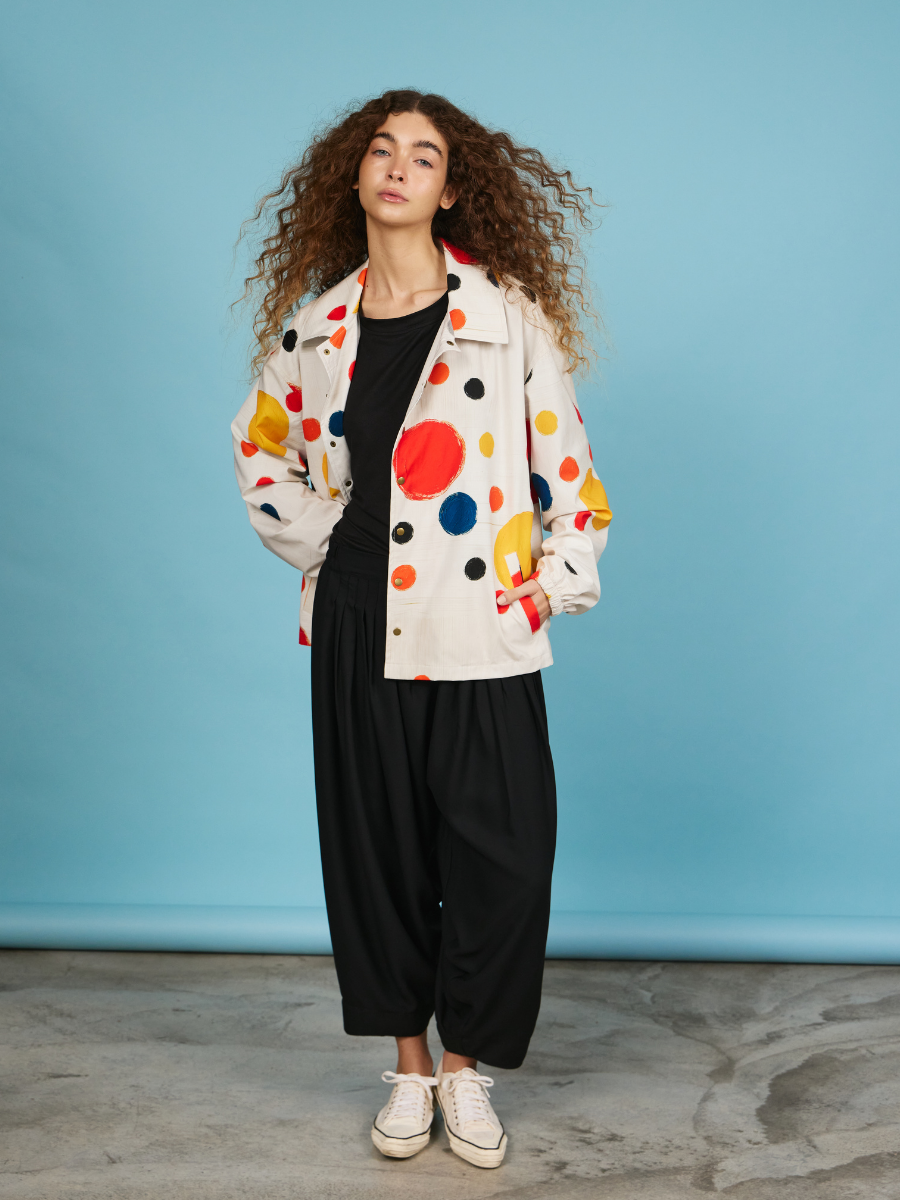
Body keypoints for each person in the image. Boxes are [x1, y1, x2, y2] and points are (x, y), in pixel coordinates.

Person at [231, 89, 611, 1170]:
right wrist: (331, 548)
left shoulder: (506, 314)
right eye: (382, 149)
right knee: (378, 850)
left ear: (451, 189)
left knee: (504, 852)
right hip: (361, 616)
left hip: (479, 615)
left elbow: (568, 469)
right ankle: (408, 1067)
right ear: (354, 176)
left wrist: (551, 585)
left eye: (425, 155)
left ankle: (465, 1068)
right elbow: (261, 455)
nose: (398, 165)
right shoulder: (314, 328)